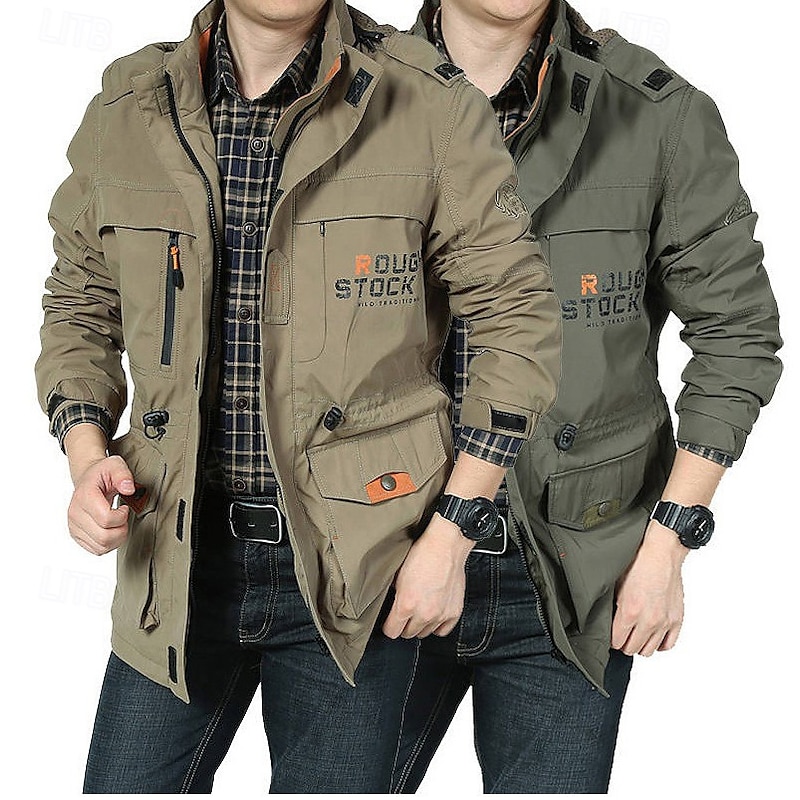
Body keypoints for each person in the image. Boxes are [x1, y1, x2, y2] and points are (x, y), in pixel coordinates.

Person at [34, 0, 561, 792]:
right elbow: (79, 301)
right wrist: (86, 457)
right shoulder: (129, 103)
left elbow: (516, 319)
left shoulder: (427, 99)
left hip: (359, 568)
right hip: (174, 556)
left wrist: (453, 535)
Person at [391, 0, 783, 793]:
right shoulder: (350, 93)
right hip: (379, 546)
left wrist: (668, 545)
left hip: (573, 563)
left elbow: (738, 333)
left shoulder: (654, 111)